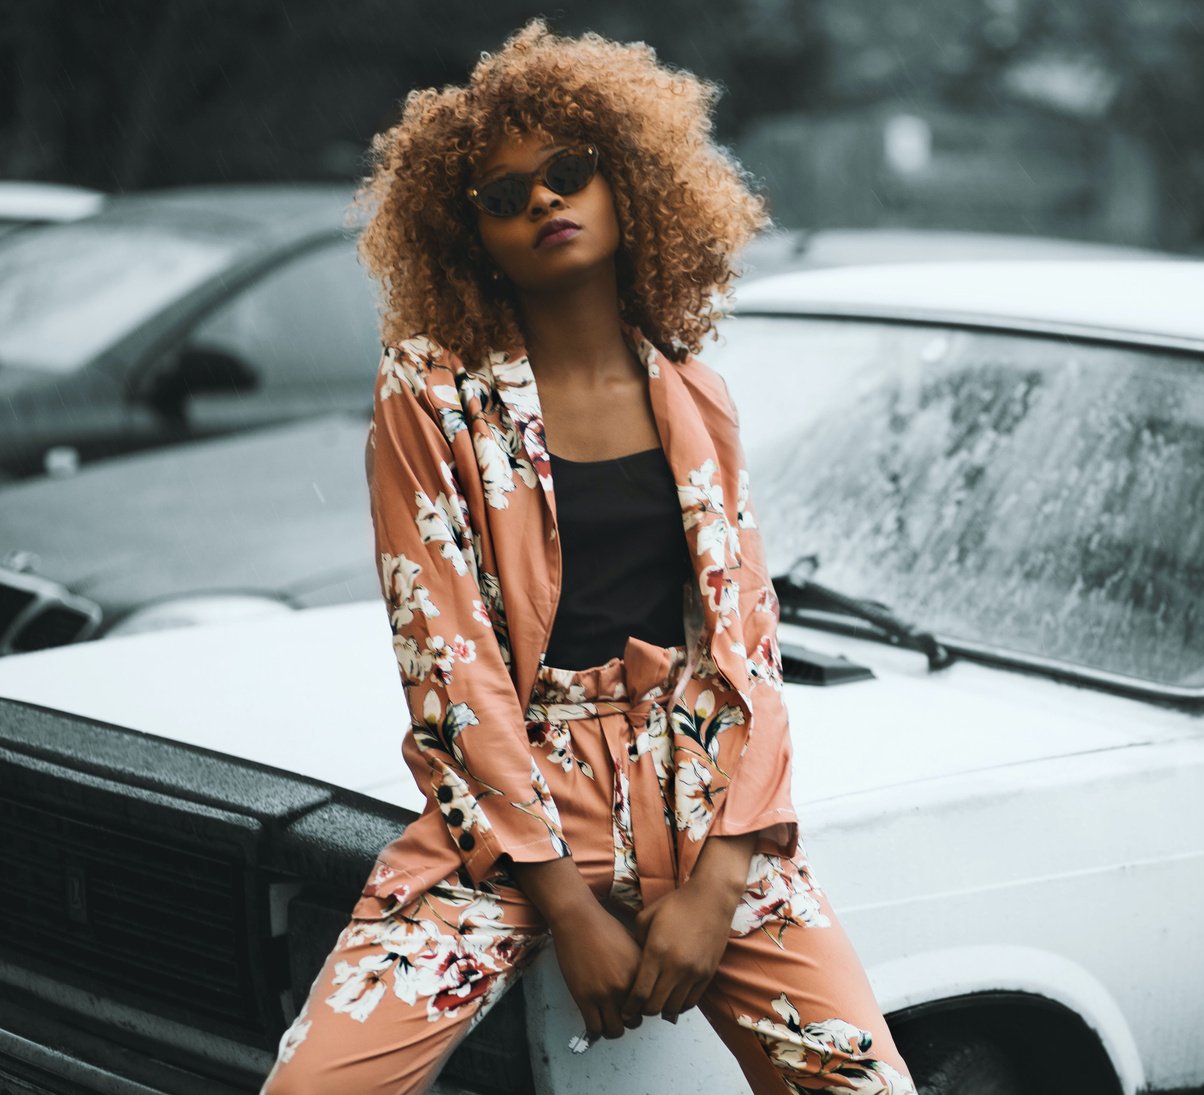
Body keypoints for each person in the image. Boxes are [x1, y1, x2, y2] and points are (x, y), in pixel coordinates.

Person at [260, 18, 918, 1095]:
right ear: (469, 233)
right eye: (503, 193)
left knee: (865, 1088)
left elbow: (747, 651)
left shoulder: (696, 395)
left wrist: (718, 885)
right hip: (518, 821)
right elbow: (449, 664)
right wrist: (565, 903)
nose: (543, 202)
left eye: (568, 172)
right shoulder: (432, 396)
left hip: (706, 811)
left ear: (629, 184)